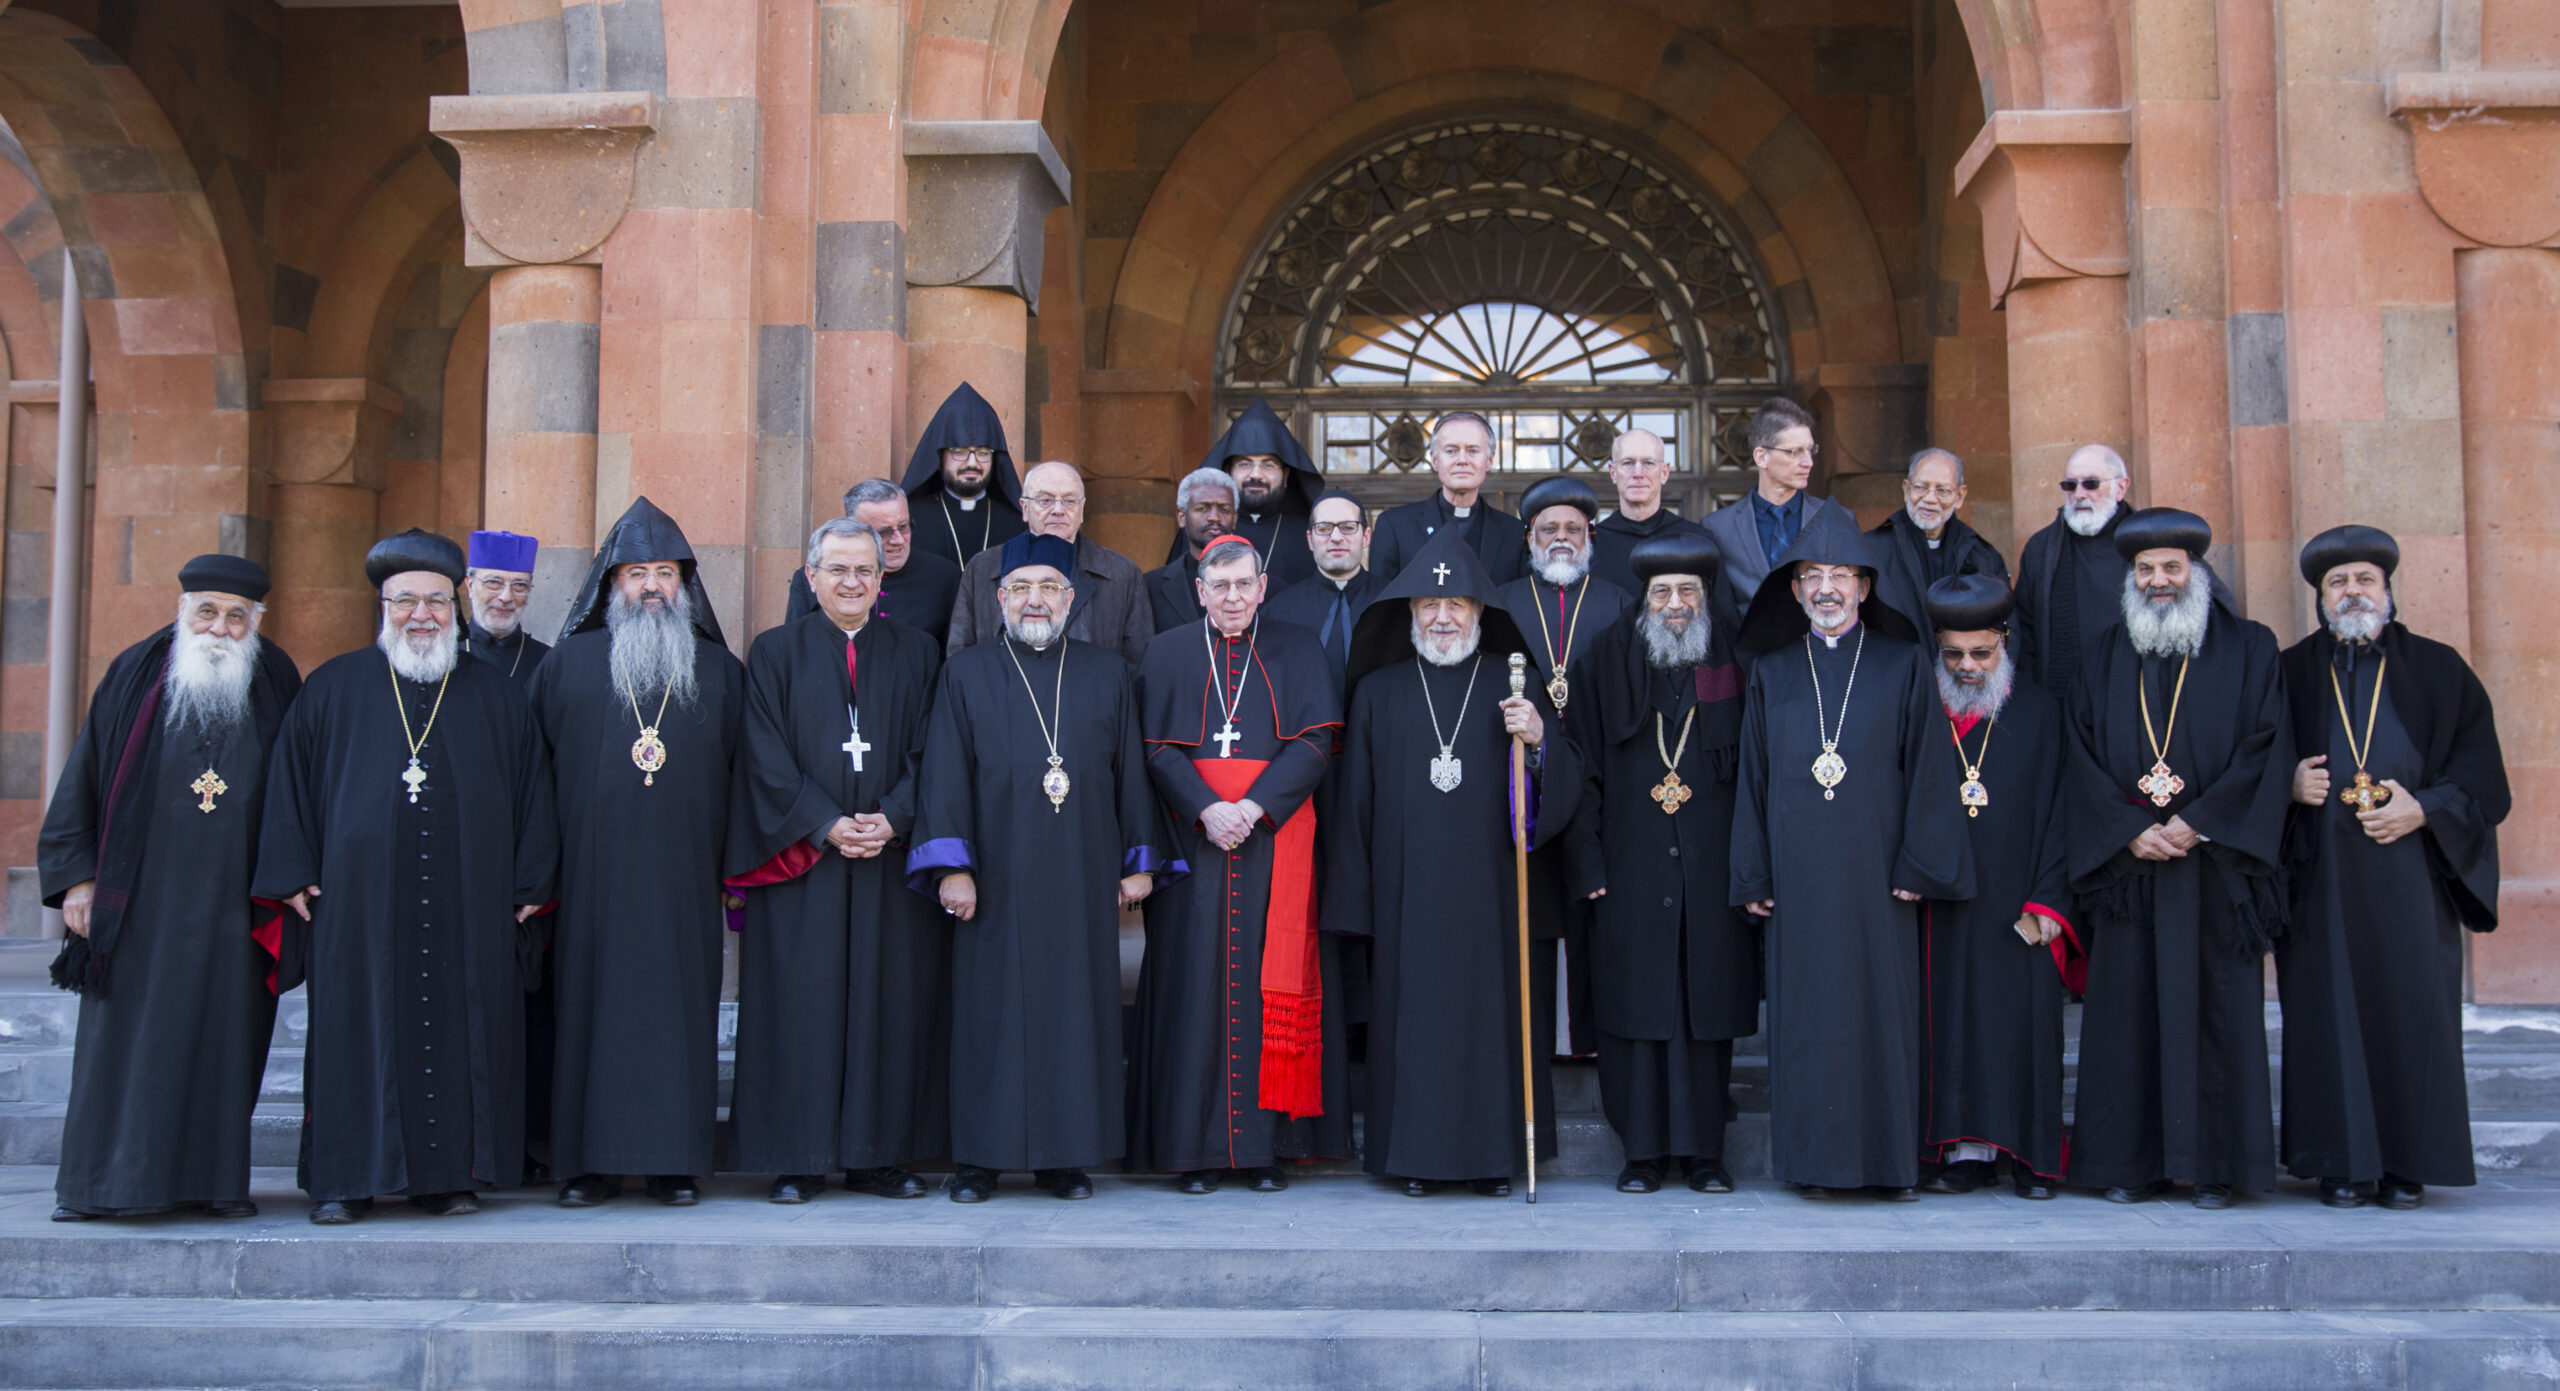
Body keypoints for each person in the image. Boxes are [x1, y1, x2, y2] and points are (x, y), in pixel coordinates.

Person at [254, 530, 558, 1224]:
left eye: (434, 601)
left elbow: (534, 792)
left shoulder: (497, 696)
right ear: (383, 605)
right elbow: (290, 785)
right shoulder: (334, 686)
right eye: (405, 601)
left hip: (470, 900)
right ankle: (344, 1178)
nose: (421, 614)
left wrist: (532, 881)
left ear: (455, 607)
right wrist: (293, 870)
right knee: (354, 1031)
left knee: (462, 1031)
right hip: (356, 904)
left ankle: (449, 1177)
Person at [908, 533, 1181, 1201]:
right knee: (986, 1014)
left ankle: (1067, 1156)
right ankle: (979, 1158)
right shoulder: (965, 672)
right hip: (992, 876)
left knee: (1075, 1013)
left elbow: (1130, 775)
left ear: (1072, 598)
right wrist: (952, 867)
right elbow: (943, 775)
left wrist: (1139, 861)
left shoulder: (1106, 672)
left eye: (1049, 589)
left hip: (1081, 872)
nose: (1036, 600)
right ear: (999, 598)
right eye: (1022, 589)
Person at [1324, 526, 1586, 1196]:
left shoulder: (1511, 682)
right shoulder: (1379, 690)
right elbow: (1354, 803)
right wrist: (1356, 901)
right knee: (1413, 1028)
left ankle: (1494, 1158)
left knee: (1491, 1024)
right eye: (1428, 608)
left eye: (1457, 607)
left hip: (1493, 894)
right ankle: (1413, 1156)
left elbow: (1563, 788)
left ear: (1479, 614)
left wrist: (1538, 742)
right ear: (1411, 614)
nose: (1442, 617)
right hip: (1406, 896)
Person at [39, 557, 302, 1222]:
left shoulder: (274, 678)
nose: (220, 628)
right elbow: (85, 772)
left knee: (224, 1043)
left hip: (233, 906)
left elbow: (300, 787)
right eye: (208, 612)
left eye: (236, 616)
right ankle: (105, 1185)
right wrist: (76, 878)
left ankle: (211, 1183)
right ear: (184, 610)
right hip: (139, 903)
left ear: (255, 622)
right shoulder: (133, 672)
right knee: (126, 1049)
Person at [1730, 507, 1973, 1200]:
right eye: (1814, 576)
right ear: (1797, 590)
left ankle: (1888, 1165)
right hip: (1798, 880)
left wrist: (1919, 864)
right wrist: (1752, 872)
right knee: (1807, 1020)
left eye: (1842, 574)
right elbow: (1752, 776)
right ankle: (1811, 1163)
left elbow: (1931, 771)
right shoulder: (1772, 672)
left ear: (1866, 587)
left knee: (1880, 1020)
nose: (1828, 587)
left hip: (1878, 880)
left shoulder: (1901, 665)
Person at [2063, 508, 2293, 1210]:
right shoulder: (2101, 653)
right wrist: (2128, 830)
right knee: (2128, 1017)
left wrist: (2199, 821)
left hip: (2214, 872)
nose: (2157, 580)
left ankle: (2216, 1168)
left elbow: (2268, 747)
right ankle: (2130, 1166)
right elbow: (2079, 756)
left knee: (2217, 1017)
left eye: (2170, 567)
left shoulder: (2252, 648)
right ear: (2130, 578)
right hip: (2131, 871)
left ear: (2196, 571)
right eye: (2144, 570)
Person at [2278, 525, 2509, 1211]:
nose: (2352, 592)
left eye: (2364, 581)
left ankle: (2407, 1163)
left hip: (2410, 877)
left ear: (2388, 590)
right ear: (2320, 598)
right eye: (2338, 583)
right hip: (2320, 882)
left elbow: (2484, 776)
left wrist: (2425, 808)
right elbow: (2251, 761)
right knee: (2327, 1015)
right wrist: (2288, 784)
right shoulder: (2290, 670)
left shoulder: (2440, 669)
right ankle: (2341, 1164)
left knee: (2412, 1012)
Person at [525, 499, 741, 1209]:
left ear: (685, 583)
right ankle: (586, 1164)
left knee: (679, 1015)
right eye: (637, 572)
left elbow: (747, 779)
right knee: (587, 1011)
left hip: (685, 883)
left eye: (666, 573)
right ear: (610, 584)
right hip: (592, 885)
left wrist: (736, 876)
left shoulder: (719, 670)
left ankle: (675, 1160)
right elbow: (535, 778)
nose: (652, 585)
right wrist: (540, 873)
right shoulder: (568, 666)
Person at [727, 518, 950, 1204]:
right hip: (804, 865)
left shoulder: (918, 652)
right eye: (838, 570)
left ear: (882, 580)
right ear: (811, 576)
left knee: (888, 1007)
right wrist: (823, 822)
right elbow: (762, 754)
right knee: (800, 1006)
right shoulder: (772, 653)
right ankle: (797, 1155)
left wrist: (895, 815)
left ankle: (876, 1156)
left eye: (865, 571)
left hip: (888, 862)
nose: (851, 582)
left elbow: (933, 748)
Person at [1129, 534, 1345, 1192]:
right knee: (1192, 993)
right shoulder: (1165, 652)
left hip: (1272, 843)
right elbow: (1157, 748)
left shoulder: (1298, 647)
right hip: (1193, 844)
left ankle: (1262, 1151)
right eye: (1217, 586)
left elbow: (1314, 742)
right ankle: (1191, 1152)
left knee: (1263, 988)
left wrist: (1252, 808)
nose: (1230, 597)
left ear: (1262, 585)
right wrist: (1207, 809)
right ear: (1199, 590)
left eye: (1242, 585)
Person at [1561, 530, 1751, 1196]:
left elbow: (1757, 777)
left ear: (1705, 597)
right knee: (1634, 1013)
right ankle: (1639, 1153)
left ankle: (1704, 1154)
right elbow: (1577, 769)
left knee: (1704, 1015)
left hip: (1712, 871)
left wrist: (1751, 871)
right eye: (1662, 592)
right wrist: (1588, 863)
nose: (1675, 604)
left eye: (1687, 592)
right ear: (1644, 599)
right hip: (1627, 869)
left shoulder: (1736, 660)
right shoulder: (1601, 660)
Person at [1914, 574, 2075, 1199]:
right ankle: (1964, 1156)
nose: (1968, 666)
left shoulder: (2039, 710)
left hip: (2019, 904)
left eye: (1981, 653)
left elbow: (2065, 810)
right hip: (1944, 903)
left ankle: (2031, 1158)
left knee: (2022, 1030)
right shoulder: (1922, 709)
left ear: (2003, 644)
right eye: (1953, 654)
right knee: (1949, 1028)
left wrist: (2050, 900)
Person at [1500, 475, 1630, 1063]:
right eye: (1548, 528)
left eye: (1572, 529)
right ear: (1529, 535)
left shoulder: (1620, 602)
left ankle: (1588, 1040)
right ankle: (1536, 1040)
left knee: (1593, 910)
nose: (1560, 538)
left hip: (1602, 774)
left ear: (1590, 536)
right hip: (1522, 776)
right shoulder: (1501, 602)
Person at [945, 461, 1153, 667]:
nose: (1058, 510)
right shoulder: (983, 569)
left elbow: (1138, 664)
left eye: (1069, 501)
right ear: (1025, 509)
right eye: (1045, 500)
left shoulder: (1120, 573)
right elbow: (960, 658)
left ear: (1082, 509)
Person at [1699, 397, 1845, 642]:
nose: (1807, 462)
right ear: (1761, 457)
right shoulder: (1717, 528)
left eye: (1810, 450)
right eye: (1794, 452)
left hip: (1822, 663)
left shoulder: (1836, 519)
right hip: (1749, 669)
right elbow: (1718, 613)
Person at [1162, 397, 1326, 586]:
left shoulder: (1309, 535)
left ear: (1286, 476)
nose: (1256, 475)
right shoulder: (1199, 530)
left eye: (1268, 465)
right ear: (1228, 471)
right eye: (1245, 464)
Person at [2013, 443, 2131, 700]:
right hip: (2063, 703)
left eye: (2091, 484)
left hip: (2133, 699)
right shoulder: (2041, 550)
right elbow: (2024, 634)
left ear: (2121, 487)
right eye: (2070, 485)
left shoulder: (2148, 545)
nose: (2079, 494)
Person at [782, 478, 963, 644]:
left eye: (903, 527)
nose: (898, 540)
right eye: (884, 532)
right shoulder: (818, 576)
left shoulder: (944, 576)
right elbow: (796, 647)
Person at [1365, 411, 1527, 586]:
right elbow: (1381, 605)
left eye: (1473, 451)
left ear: (1489, 460)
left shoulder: (1514, 533)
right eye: (1451, 451)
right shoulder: (1394, 527)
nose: (1462, 460)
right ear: (1435, 460)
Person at [1867, 449, 2010, 640]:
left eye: (1942, 490)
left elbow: (2006, 632)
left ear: (1960, 496)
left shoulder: (1982, 555)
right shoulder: (1871, 550)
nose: (1930, 499)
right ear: (1906, 489)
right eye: (1921, 487)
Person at [1264, 489, 1382, 696]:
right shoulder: (1279, 610)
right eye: (1324, 528)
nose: (1336, 537)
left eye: (1347, 527)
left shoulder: (1391, 604)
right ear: (1310, 539)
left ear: (1366, 537)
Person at [900, 382, 1026, 568]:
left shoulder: (1017, 525)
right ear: (939, 457)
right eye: (959, 451)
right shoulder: (909, 521)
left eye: (983, 453)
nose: (972, 463)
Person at [1589, 427, 1707, 597]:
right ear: (1613, 473)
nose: (1638, 473)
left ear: (1664, 472)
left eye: (1648, 463)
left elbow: (1720, 618)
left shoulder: (1697, 540)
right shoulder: (1591, 546)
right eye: (1628, 463)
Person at [1144, 467, 1240, 632]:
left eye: (1224, 509)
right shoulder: (1149, 586)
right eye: (1203, 508)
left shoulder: (1262, 586)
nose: (1214, 517)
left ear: (1235, 519)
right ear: (1182, 517)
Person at [462, 529, 548, 689]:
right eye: (493, 583)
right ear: (470, 586)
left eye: (519, 586)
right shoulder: (445, 655)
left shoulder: (547, 661)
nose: (506, 597)